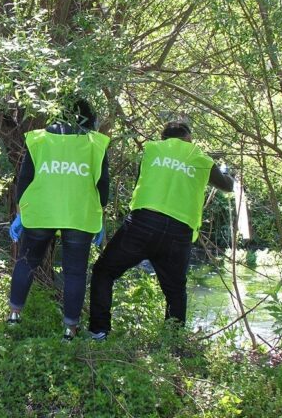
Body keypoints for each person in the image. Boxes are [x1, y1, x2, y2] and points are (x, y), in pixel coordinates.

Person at [88, 121, 234, 339]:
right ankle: (172, 341)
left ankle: (99, 331)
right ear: (188, 138)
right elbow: (227, 186)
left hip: (142, 223)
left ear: (163, 137)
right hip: (179, 232)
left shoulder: (151, 149)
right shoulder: (201, 158)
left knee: (103, 271)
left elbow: (144, 180)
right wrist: (226, 172)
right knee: (175, 292)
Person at [7, 99, 110, 341]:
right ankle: (69, 331)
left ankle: (13, 317)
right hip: (79, 215)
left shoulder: (40, 139)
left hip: (41, 211)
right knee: (75, 273)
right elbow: (102, 185)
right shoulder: (95, 143)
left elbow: (24, 180)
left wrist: (21, 214)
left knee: (26, 262)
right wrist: (100, 214)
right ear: (88, 119)